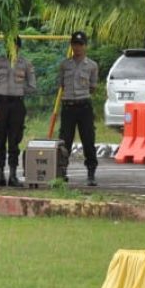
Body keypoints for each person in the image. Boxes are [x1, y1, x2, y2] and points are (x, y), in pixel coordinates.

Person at [0, 36, 36, 187]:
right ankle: (0, 174)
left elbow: (32, 86)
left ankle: (14, 175)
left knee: (14, 141)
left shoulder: (26, 64)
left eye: (14, 45)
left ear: (19, 47)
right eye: (9, 45)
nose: (12, 48)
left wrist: (19, 90)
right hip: (1, 104)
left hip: (17, 104)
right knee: (0, 140)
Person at [57, 31, 99, 186]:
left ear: (85, 46)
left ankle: (91, 173)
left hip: (84, 106)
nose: (77, 47)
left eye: (80, 44)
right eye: (75, 44)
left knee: (88, 140)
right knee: (65, 141)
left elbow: (93, 87)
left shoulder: (92, 66)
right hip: (68, 105)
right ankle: (62, 172)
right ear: (71, 45)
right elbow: (62, 84)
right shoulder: (64, 65)